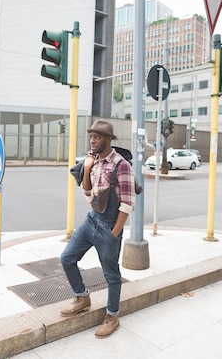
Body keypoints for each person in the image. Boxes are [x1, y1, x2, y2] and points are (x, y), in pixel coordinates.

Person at [60, 120, 136, 338]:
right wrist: (86, 169)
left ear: (109, 140)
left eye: (98, 137)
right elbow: (87, 190)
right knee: (67, 258)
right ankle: (82, 297)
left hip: (109, 226)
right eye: (92, 136)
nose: (93, 140)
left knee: (111, 275)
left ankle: (112, 316)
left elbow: (128, 204)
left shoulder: (121, 165)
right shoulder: (93, 161)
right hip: (91, 220)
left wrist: (114, 233)